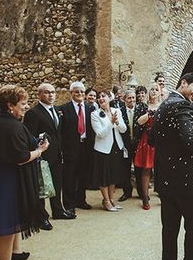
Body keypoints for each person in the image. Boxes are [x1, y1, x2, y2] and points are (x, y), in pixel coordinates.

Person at [0, 85, 49, 260]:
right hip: (3, 180)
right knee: (6, 222)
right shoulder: (10, 126)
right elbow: (21, 157)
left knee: (12, 216)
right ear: (10, 105)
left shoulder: (1, 122)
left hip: (0, 177)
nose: (27, 107)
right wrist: (40, 150)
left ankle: (15, 251)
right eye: (23, 103)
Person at [150, 72, 193, 260]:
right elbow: (190, 141)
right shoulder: (182, 106)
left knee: (169, 230)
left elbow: (153, 140)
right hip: (184, 181)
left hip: (165, 181)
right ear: (182, 83)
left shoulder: (164, 105)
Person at [23, 83, 75, 227]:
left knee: (57, 184)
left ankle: (58, 210)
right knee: (41, 186)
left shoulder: (57, 110)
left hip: (57, 155)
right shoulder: (33, 113)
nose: (51, 95)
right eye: (47, 92)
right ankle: (41, 217)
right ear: (39, 94)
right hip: (42, 156)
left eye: (52, 92)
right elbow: (30, 136)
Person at [59, 82, 95, 213]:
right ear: (71, 93)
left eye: (82, 92)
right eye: (77, 92)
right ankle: (69, 203)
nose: (80, 94)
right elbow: (61, 131)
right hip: (70, 147)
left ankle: (81, 200)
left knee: (83, 175)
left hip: (86, 146)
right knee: (69, 176)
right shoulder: (63, 109)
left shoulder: (90, 109)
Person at [91, 91, 127, 212]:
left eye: (103, 96)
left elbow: (123, 129)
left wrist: (116, 121)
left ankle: (111, 200)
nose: (101, 99)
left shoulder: (117, 111)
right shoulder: (95, 114)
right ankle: (106, 200)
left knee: (113, 175)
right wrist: (110, 122)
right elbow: (100, 134)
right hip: (102, 149)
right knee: (104, 176)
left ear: (109, 98)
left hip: (117, 147)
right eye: (99, 97)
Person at [133, 85, 160, 210]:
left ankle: (163, 194)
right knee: (146, 169)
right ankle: (145, 198)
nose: (154, 92)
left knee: (161, 169)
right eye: (152, 90)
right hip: (147, 139)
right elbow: (138, 122)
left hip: (160, 140)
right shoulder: (143, 106)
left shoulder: (163, 106)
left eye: (156, 90)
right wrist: (149, 114)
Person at [117, 90, 137, 202]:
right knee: (125, 168)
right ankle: (127, 192)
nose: (132, 100)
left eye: (133, 98)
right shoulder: (120, 111)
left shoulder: (139, 110)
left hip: (137, 144)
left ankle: (141, 192)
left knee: (139, 168)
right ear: (125, 99)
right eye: (129, 98)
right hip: (125, 144)